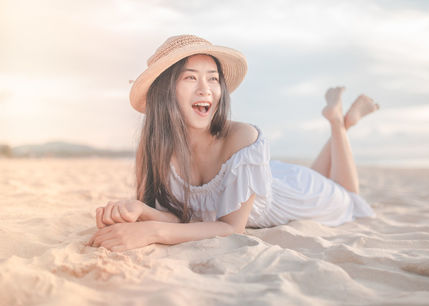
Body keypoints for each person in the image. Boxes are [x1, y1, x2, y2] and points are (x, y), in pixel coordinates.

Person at [87, 35, 379, 252]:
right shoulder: (153, 149)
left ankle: (339, 123)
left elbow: (231, 227)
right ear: (165, 92)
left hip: (300, 194)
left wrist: (153, 231)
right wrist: (140, 210)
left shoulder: (243, 137)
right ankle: (341, 121)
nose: (206, 89)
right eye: (190, 78)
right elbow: (181, 218)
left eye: (213, 79)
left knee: (350, 197)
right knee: (326, 179)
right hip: (274, 180)